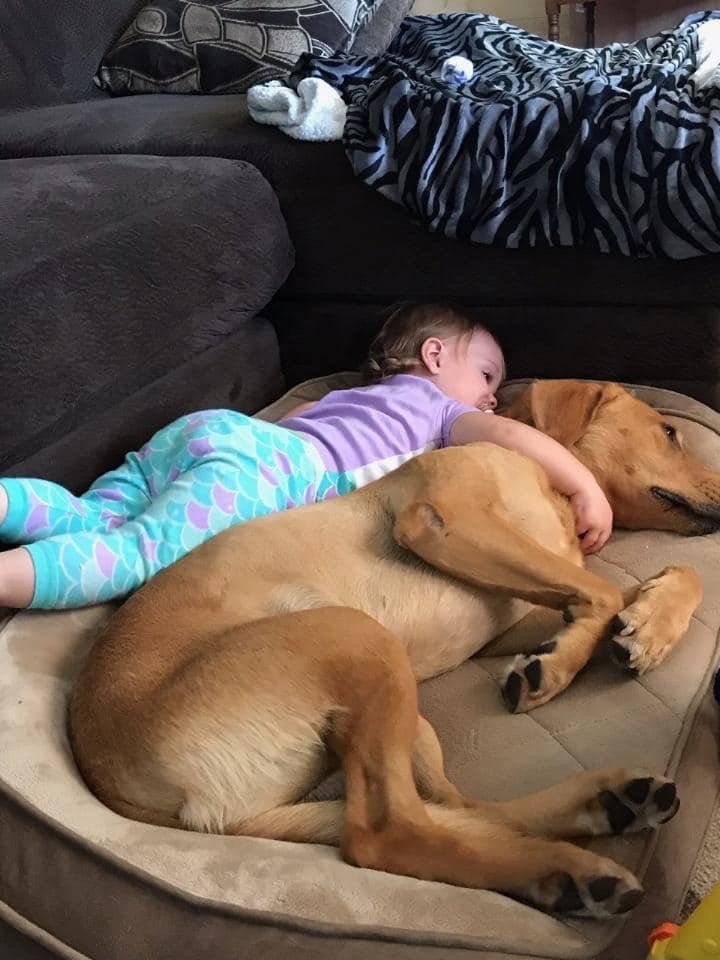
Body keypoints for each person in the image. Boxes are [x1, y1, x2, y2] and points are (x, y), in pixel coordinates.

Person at [0, 303, 611, 610]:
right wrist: (585, 486)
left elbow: (289, 423)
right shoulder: (442, 411)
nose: (492, 397)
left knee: (92, 512)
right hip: (270, 470)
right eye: (487, 375)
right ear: (433, 356)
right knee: (137, 555)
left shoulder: (341, 396)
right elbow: (511, 438)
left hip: (216, 432)